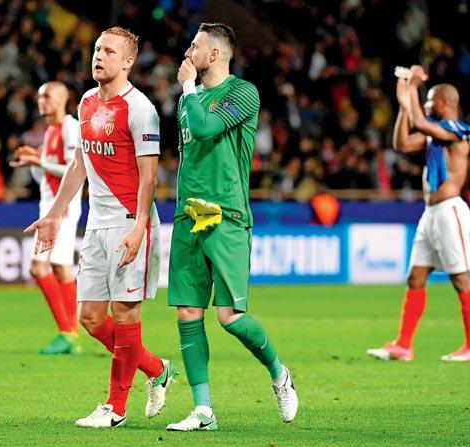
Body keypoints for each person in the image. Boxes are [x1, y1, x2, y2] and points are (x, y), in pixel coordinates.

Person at [25, 27, 177, 428]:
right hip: (95, 225)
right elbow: (80, 164)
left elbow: (149, 177)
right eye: (96, 49)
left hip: (129, 224)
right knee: (91, 318)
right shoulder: (88, 103)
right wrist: (56, 215)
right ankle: (156, 368)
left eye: (109, 51)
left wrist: (140, 227)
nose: (99, 56)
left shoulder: (141, 108)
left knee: (126, 317)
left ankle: (115, 408)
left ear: (127, 61)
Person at [166, 23, 298, 432]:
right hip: (188, 214)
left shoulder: (242, 93)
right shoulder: (188, 101)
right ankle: (203, 410)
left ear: (216, 55)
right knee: (188, 312)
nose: (188, 53)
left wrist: (188, 90)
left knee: (229, 317)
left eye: (195, 46)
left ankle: (279, 372)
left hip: (226, 215)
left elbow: (205, 129)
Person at [367, 65, 470, 363]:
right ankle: (403, 345)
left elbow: (420, 119)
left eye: (431, 100)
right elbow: (402, 143)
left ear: (445, 103)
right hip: (430, 213)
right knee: (416, 277)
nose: (429, 105)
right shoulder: (436, 134)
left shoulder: (457, 131)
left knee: (461, 279)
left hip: (450, 211)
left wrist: (414, 88)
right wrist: (405, 107)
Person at [10, 82, 82, 355]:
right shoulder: (50, 131)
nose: (42, 101)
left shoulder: (69, 127)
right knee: (62, 270)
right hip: (50, 207)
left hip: (60, 210)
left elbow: (73, 168)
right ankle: (71, 334)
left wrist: (40, 161)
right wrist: (34, 162)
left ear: (63, 99)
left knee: (38, 267)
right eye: (39, 96)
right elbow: (46, 176)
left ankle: (66, 331)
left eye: (48, 96)